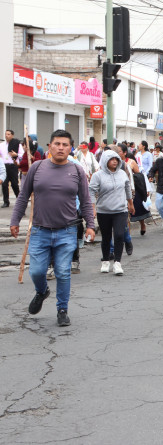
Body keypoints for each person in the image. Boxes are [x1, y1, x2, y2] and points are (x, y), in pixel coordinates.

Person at [10, 130, 96, 327]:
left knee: (63, 272)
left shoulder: (77, 171)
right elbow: (23, 196)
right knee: (37, 272)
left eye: (65, 145)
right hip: (40, 231)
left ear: (70, 148)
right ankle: (42, 291)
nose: (60, 148)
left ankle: (62, 309)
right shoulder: (37, 168)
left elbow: (85, 200)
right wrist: (15, 220)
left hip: (66, 231)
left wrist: (90, 225)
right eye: (57, 144)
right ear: (49, 146)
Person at [90, 149, 134, 276]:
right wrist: (92, 208)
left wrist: (130, 204)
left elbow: (127, 188)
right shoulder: (97, 175)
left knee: (120, 235)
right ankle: (105, 261)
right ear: (105, 161)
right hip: (104, 211)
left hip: (120, 210)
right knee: (106, 237)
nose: (114, 162)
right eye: (111, 159)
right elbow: (91, 191)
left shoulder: (122, 173)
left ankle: (117, 263)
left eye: (116, 159)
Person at [1, 129, 20, 207]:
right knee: (4, 184)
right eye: (6, 134)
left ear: (12, 135)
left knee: (14, 184)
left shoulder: (17, 144)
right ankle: (6, 201)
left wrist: (16, 155)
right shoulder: (1, 145)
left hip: (13, 165)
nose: (6, 136)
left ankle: (19, 200)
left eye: (8, 134)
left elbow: (22, 154)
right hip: (4, 166)